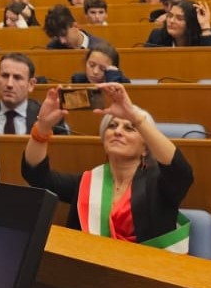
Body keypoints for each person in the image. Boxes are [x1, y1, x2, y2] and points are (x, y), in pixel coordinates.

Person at [22, 84, 193, 249]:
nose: (118, 131)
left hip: (147, 273)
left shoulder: (158, 183)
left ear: (145, 148)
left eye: (129, 128)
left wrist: (136, 117)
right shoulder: (87, 183)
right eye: (112, 126)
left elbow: (181, 172)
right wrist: (43, 126)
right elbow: (37, 175)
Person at [0, 53, 67, 136]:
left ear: (31, 85)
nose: (9, 84)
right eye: (5, 76)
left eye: (17, 78)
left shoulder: (50, 118)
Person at [144, 0, 211, 47]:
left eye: (179, 18)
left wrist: (205, 27)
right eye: (170, 16)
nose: (171, 21)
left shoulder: (206, 37)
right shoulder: (157, 36)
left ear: (191, 23)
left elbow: (209, 62)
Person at [43, 4, 113, 53]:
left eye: (64, 34)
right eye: (58, 36)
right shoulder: (53, 47)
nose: (62, 41)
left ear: (75, 26)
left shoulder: (101, 47)